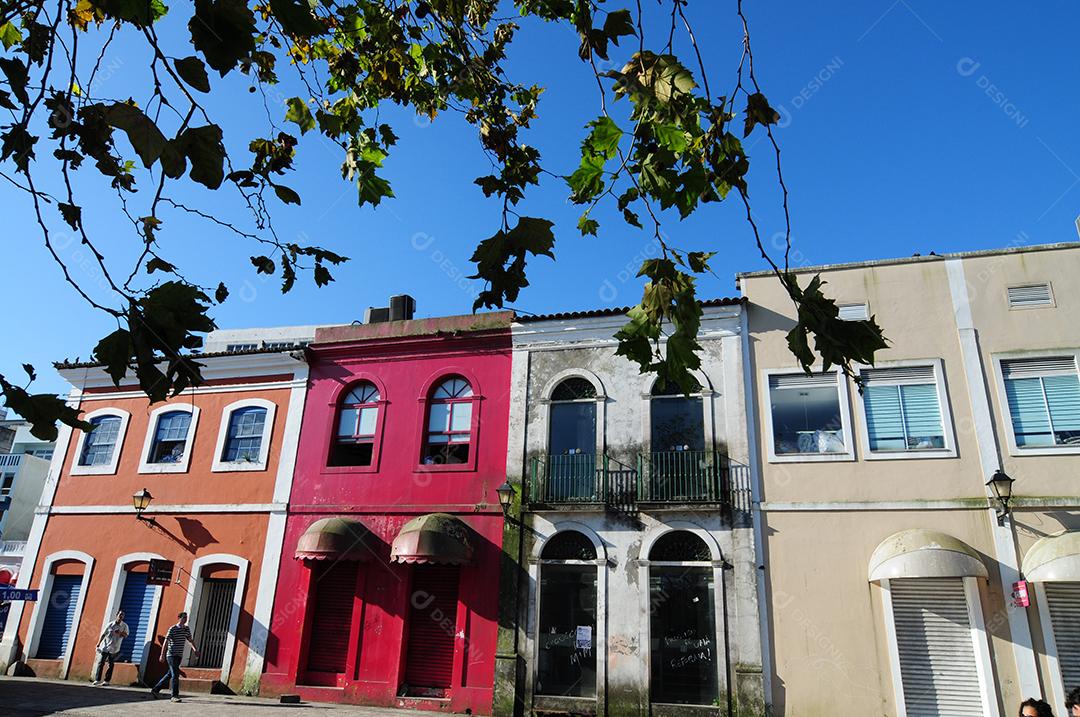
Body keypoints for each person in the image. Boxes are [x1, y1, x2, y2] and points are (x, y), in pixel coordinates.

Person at [150, 612, 198, 703]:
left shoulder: (186, 629)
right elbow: (166, 642)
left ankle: (155, 689)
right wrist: (162, 654)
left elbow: (190, 640)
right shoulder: (172, 629)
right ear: (179, 618)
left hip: (179, 655)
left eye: (186, 618)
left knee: (170, 674)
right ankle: (174, 696)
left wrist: (195, 649)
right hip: (171, 655)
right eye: (184, 618)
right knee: (175, 675)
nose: (185, 619)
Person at [92, 610, 129, 686]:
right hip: (105, 647)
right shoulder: (110, 624)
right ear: (117, 615)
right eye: (120, 614)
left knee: (110, 664)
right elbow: (103, 634)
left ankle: (106, 681)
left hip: (114, 648)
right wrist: (98, 643)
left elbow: (126, 635)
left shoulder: (124, 626)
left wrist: (120, 633)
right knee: (101, 663)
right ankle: (97, 679)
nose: (121, 616)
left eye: (123, 615)